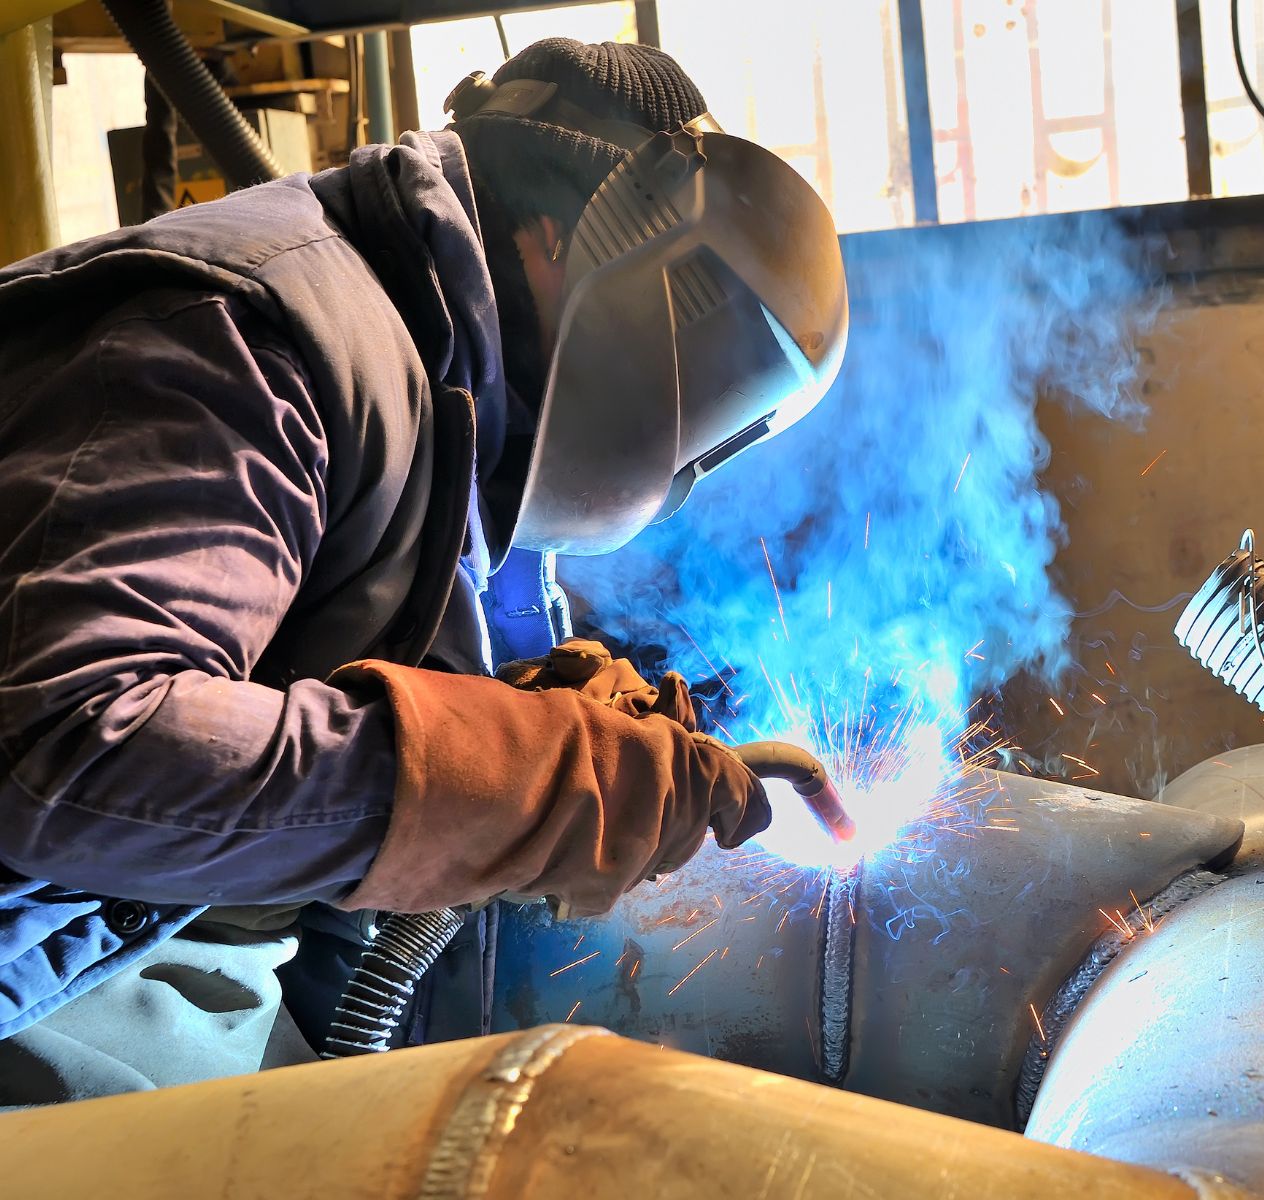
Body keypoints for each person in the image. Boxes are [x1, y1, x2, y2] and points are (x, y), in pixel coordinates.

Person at [0, 37, 848, 1104]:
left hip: (105, 938)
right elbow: (69, 752)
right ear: (559, 237)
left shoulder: (443, 388)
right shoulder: (249, 338)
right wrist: (524, 780)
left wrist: (507, 720)